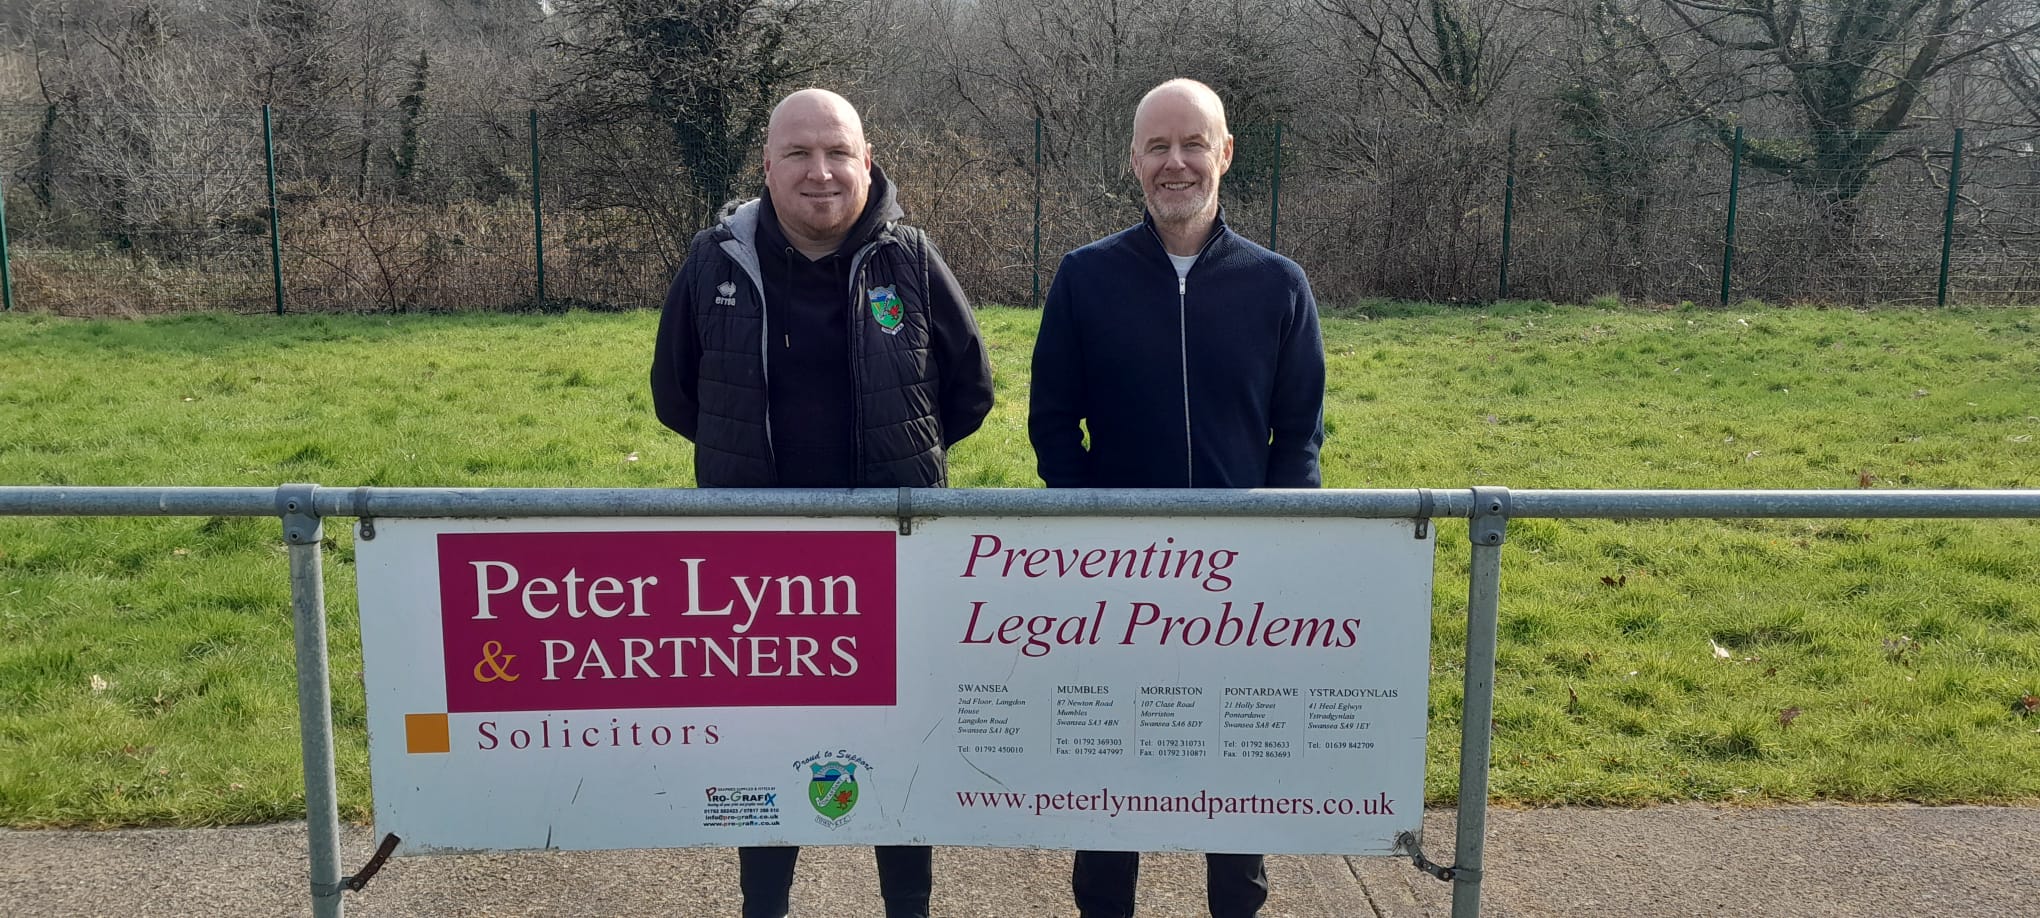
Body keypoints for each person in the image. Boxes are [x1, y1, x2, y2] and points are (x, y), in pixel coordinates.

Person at [650, 87, 995, 918]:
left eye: (838, 152)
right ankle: (763, 904)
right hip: (759, 571)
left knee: (899, 740)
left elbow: (970, 387)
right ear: (766, 167)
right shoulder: (714, 261)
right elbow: (676, 393)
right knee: (767, 749)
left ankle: (907, 905)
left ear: (866, 161)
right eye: (798, 153)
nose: (820, 171)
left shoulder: (909, 259)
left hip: (891, 559)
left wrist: (894, 462)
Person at [1026, 78, 1327, 917]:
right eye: (1157, 146)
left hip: (1238, 592)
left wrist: (1275, 548)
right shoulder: (1085, 278)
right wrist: (1096, 531)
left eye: (1193, 143)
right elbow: (1053, 424)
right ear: (1133, 160)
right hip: (1116, 585)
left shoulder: (1278, 285)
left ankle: (1239, 903)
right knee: (1112, 768)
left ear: (1225, 153)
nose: (1175, 162)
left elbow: (1298, 437)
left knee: (1233, 769)